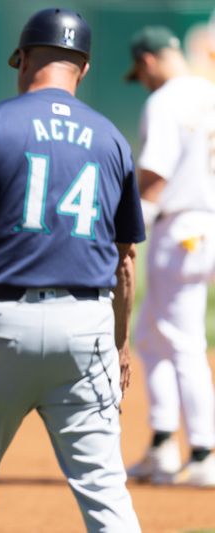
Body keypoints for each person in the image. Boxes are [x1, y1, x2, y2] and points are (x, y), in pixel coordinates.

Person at [0, 8, 143, 532]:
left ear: (21, 59)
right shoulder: (111, 140)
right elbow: (125, 261)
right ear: (83, 69)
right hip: (87, 330)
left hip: (3, 327)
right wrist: (120, 342)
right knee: (107, 496)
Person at [124, 25, 215, 487]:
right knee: (153, 336)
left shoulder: (165, 101)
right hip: (203, 225)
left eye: (139, 73)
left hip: (178, 227)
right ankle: (162, 447)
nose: (142, 81)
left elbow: (154, 176)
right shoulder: (210, 92)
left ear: (148, 61)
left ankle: (203, 452)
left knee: (181, 342)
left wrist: (127, 233)